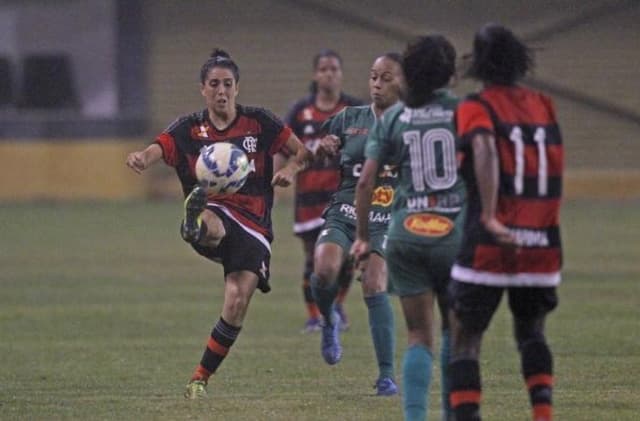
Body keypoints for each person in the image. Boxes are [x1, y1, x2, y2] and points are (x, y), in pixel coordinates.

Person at [125, 49, 311, 399]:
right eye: (214, 84)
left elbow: (302, 152)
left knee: (237, 300)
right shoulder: (189, 129)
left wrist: (289, 170)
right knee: (213, 218)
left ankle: (199, 378)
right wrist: (141, 159)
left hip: (255, 225)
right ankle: (194, 224)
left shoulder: (261, 123)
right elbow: (158, 148)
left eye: (227, 84)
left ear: (237, 88)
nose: (221, 91)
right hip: (215, 212)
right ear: (203, 89)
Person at [447, 24, 563, 421]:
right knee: (532, 332)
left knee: (465, 338)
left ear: (477, 62)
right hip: (542, 242)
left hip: (490, 241)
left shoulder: (475, 106)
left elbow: (484, 149)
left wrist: (492, 215)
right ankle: (543, 414)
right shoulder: (544, 104)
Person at [351, 36, 463, 420]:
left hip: (406, 234)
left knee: (419, 335)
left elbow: (365, 182)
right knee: (454, 333)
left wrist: (363, 237)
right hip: (453, 235)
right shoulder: (466, 112)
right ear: (452, 72)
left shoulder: (396, 118)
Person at [310, 52, 404, 395]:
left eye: (386, 78)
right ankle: (328, 317)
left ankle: (386, 376)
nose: (377, 84)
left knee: (374, 284)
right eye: (373, 76)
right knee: (324, 268)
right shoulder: (349, 118)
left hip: (385, 216)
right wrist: (325, 145)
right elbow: (321, 146)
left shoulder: (411, 124)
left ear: (403, 83)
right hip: (346, 209)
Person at [280, 49, 363, 333]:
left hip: (344, 195)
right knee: (311, 258)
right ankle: (314, 314)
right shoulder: (300, 112)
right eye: (324, 69)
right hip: (309, 198)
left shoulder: (354, 110)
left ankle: (337, 305)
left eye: (334, 69)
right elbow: (282, 149)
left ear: (340, 74)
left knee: (349, 256)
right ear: (315, 75)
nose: (329, 73)